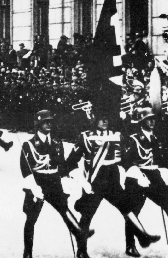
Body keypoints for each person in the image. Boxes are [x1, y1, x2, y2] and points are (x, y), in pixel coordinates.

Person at [66, 107, 160, 258]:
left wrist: (137, 174)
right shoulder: (85, 137)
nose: (105, 121)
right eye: (101, 118)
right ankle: (81, 250)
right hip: (94, 181)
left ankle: (141, 237)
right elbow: (70, 163)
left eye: (107, 119)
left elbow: (125, 160)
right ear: (94, 120)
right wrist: (82, 181)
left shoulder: (117, 137)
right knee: (87, 215)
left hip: (112, 180)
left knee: (127, 208)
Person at [20, 110, 93, 258]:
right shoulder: (28, 145)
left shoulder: (57, 143)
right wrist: (34, 188)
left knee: (64, 210)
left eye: (50, 121)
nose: (49, 124)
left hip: (53, 181)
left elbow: (62, 166)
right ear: (38, 124)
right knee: (31, 218)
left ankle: (79, 235)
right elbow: (25, 170)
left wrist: (73, 179)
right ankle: (27, 252)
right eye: (45, 122)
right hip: (37, 183)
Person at [123, 104, 168, 257]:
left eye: (153, 119)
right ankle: (130, 246)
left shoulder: (155, 138)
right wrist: (138, 175)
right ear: (141, 121)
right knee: (133, 213)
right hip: (137, 178)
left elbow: (161, 160)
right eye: (148, 119)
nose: (152, 122)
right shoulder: (133, 139)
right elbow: (126, 162)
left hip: (154, 176)